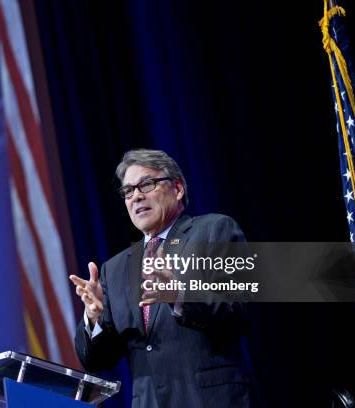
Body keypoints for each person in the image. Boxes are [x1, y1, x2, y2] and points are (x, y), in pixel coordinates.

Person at [69, 149, 252, 408]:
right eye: (128, 191)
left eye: (147, 184)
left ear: (177, 188)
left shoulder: (214, 230)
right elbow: (96, 361)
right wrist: (95, 318)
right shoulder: (115, 269)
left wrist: (179, 296)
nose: (136, 196)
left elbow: (237, 309)